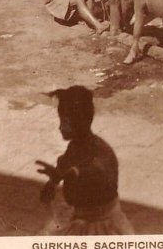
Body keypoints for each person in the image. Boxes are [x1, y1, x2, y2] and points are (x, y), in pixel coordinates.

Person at [36, 86, 134, 235]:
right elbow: (66, 165)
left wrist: (71, 174)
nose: (60, 127)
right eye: (61, 119)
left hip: (103, 228)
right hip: (83, 216)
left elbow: (94, 171)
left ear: (82, 121)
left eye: (66, 121)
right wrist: (53, 182)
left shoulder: (100, 154)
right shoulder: (75, 145)